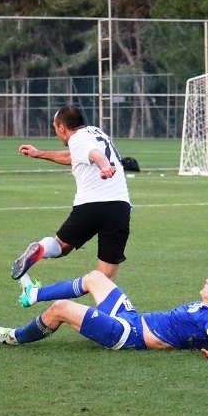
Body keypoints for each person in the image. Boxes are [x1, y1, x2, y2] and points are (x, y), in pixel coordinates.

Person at [0, 268, 208, 360]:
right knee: (95, 277)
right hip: (131, 319)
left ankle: (14, 336)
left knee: (62, 308)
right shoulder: (207, 308)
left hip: (128, 335)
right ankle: (33, 294)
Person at [11, 104, 131, 284]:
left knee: (60, 247)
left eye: (55, 128)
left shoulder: (77, 139)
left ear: (61, 127)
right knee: (105, 279)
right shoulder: (96, 133)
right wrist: (39, 154)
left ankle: (41, 248)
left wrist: (105, 165)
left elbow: (94, 154)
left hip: (90, 206)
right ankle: (104, 304)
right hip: (119, 207)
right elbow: (73, 156)